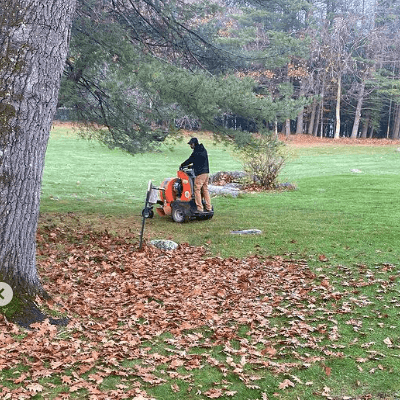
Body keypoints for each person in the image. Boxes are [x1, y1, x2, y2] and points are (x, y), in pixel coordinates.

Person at [180, 137, 212, 213]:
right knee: (205, 190)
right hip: (206, 173)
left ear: (194, 144)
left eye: (191, 144)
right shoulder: (203, 150)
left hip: (200, 174)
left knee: (197, 189)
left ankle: (199, 208)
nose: (190, 146)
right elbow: (199, 161)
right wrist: (192, 166)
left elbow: (190, 159)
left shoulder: (196, 152)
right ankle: (208, 207)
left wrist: (182, 165)